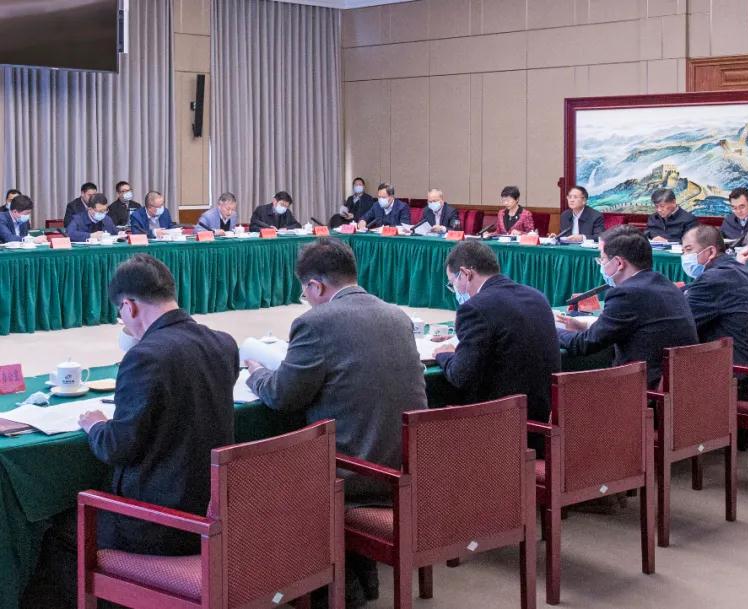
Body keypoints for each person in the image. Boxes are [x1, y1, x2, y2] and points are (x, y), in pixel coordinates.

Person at [245, 238, 426, 608]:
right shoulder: (397, 316)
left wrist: (256, 373)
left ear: (315, 286)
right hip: (406, 466)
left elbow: (283, 396)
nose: (307, 299)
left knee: (263, 469)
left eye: (305, 292)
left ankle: (325, 589)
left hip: (355, 474)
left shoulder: (315, 323)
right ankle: (358, 579)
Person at [76, 254, 238, 555]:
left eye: (120, 313)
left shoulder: (145, 356)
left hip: (159, 524)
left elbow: (117, 448)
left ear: (129, 306)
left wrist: (96, 425)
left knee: (55, 533)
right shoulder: (224, 343)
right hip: (217, 514)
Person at [434, 241, 560, 440]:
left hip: (499, 431)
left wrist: (444, 354)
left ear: (465, 274)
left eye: (452, 283)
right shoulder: (537, 297)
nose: (455, 290)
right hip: (542, 422)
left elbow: (460, 376)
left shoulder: (474, 308)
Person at [558, 225, 698, 388]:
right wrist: (585, 327)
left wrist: (550, 330)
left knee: (570, 391)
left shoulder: (627, 293)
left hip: (642, 390)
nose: (601, 264)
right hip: (680, 385)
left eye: (602, 259)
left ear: (619, 263)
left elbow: (585, 345)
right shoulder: (665, 284)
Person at [681, 225, 748, 403]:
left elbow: (682, 327)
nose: (684, 257)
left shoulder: (714, 279)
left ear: (711, 252)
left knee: (668, 376)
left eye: (688, 250)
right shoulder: (747, 273)